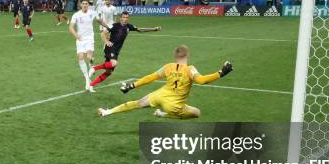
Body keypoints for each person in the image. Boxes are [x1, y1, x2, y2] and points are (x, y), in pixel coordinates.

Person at [98, 45, 232, 118]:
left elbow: (150, 77)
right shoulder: (190, 69)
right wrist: (221, 72)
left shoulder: (168, 66)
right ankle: (163, 115)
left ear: (175, 56)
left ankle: (107, 112)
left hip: (159, 95)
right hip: (173, 105)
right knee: (197, 113)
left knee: (137, 103)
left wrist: (131, 86)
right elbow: (202, 81)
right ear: (187, 55)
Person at [88, 11, 160, 88]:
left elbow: (140, 29)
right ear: (121, 18)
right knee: (114, 63)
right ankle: (94, 68)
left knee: (109, 72)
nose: (125, 19)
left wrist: (154, 29)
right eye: (123, 17)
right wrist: (106, 41)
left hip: (116, 51)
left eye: (127, 17)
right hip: (110, 47)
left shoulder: (129, 27)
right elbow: (103, 33)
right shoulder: (115, 25)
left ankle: (90, 85)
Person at [69, 0, 109, 92]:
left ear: (88, 5)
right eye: (83, 3)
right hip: (80, 39)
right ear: (80, 5)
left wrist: (108, 27)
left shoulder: (92, 13)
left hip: (90, 39)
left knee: (89, 56)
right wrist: (76, 35)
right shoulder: (76, 15)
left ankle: (91, 62)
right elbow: (71, 27)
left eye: (86, 4)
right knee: (80, 57)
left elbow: (99, 21)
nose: (85, 5)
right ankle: (87, 79)